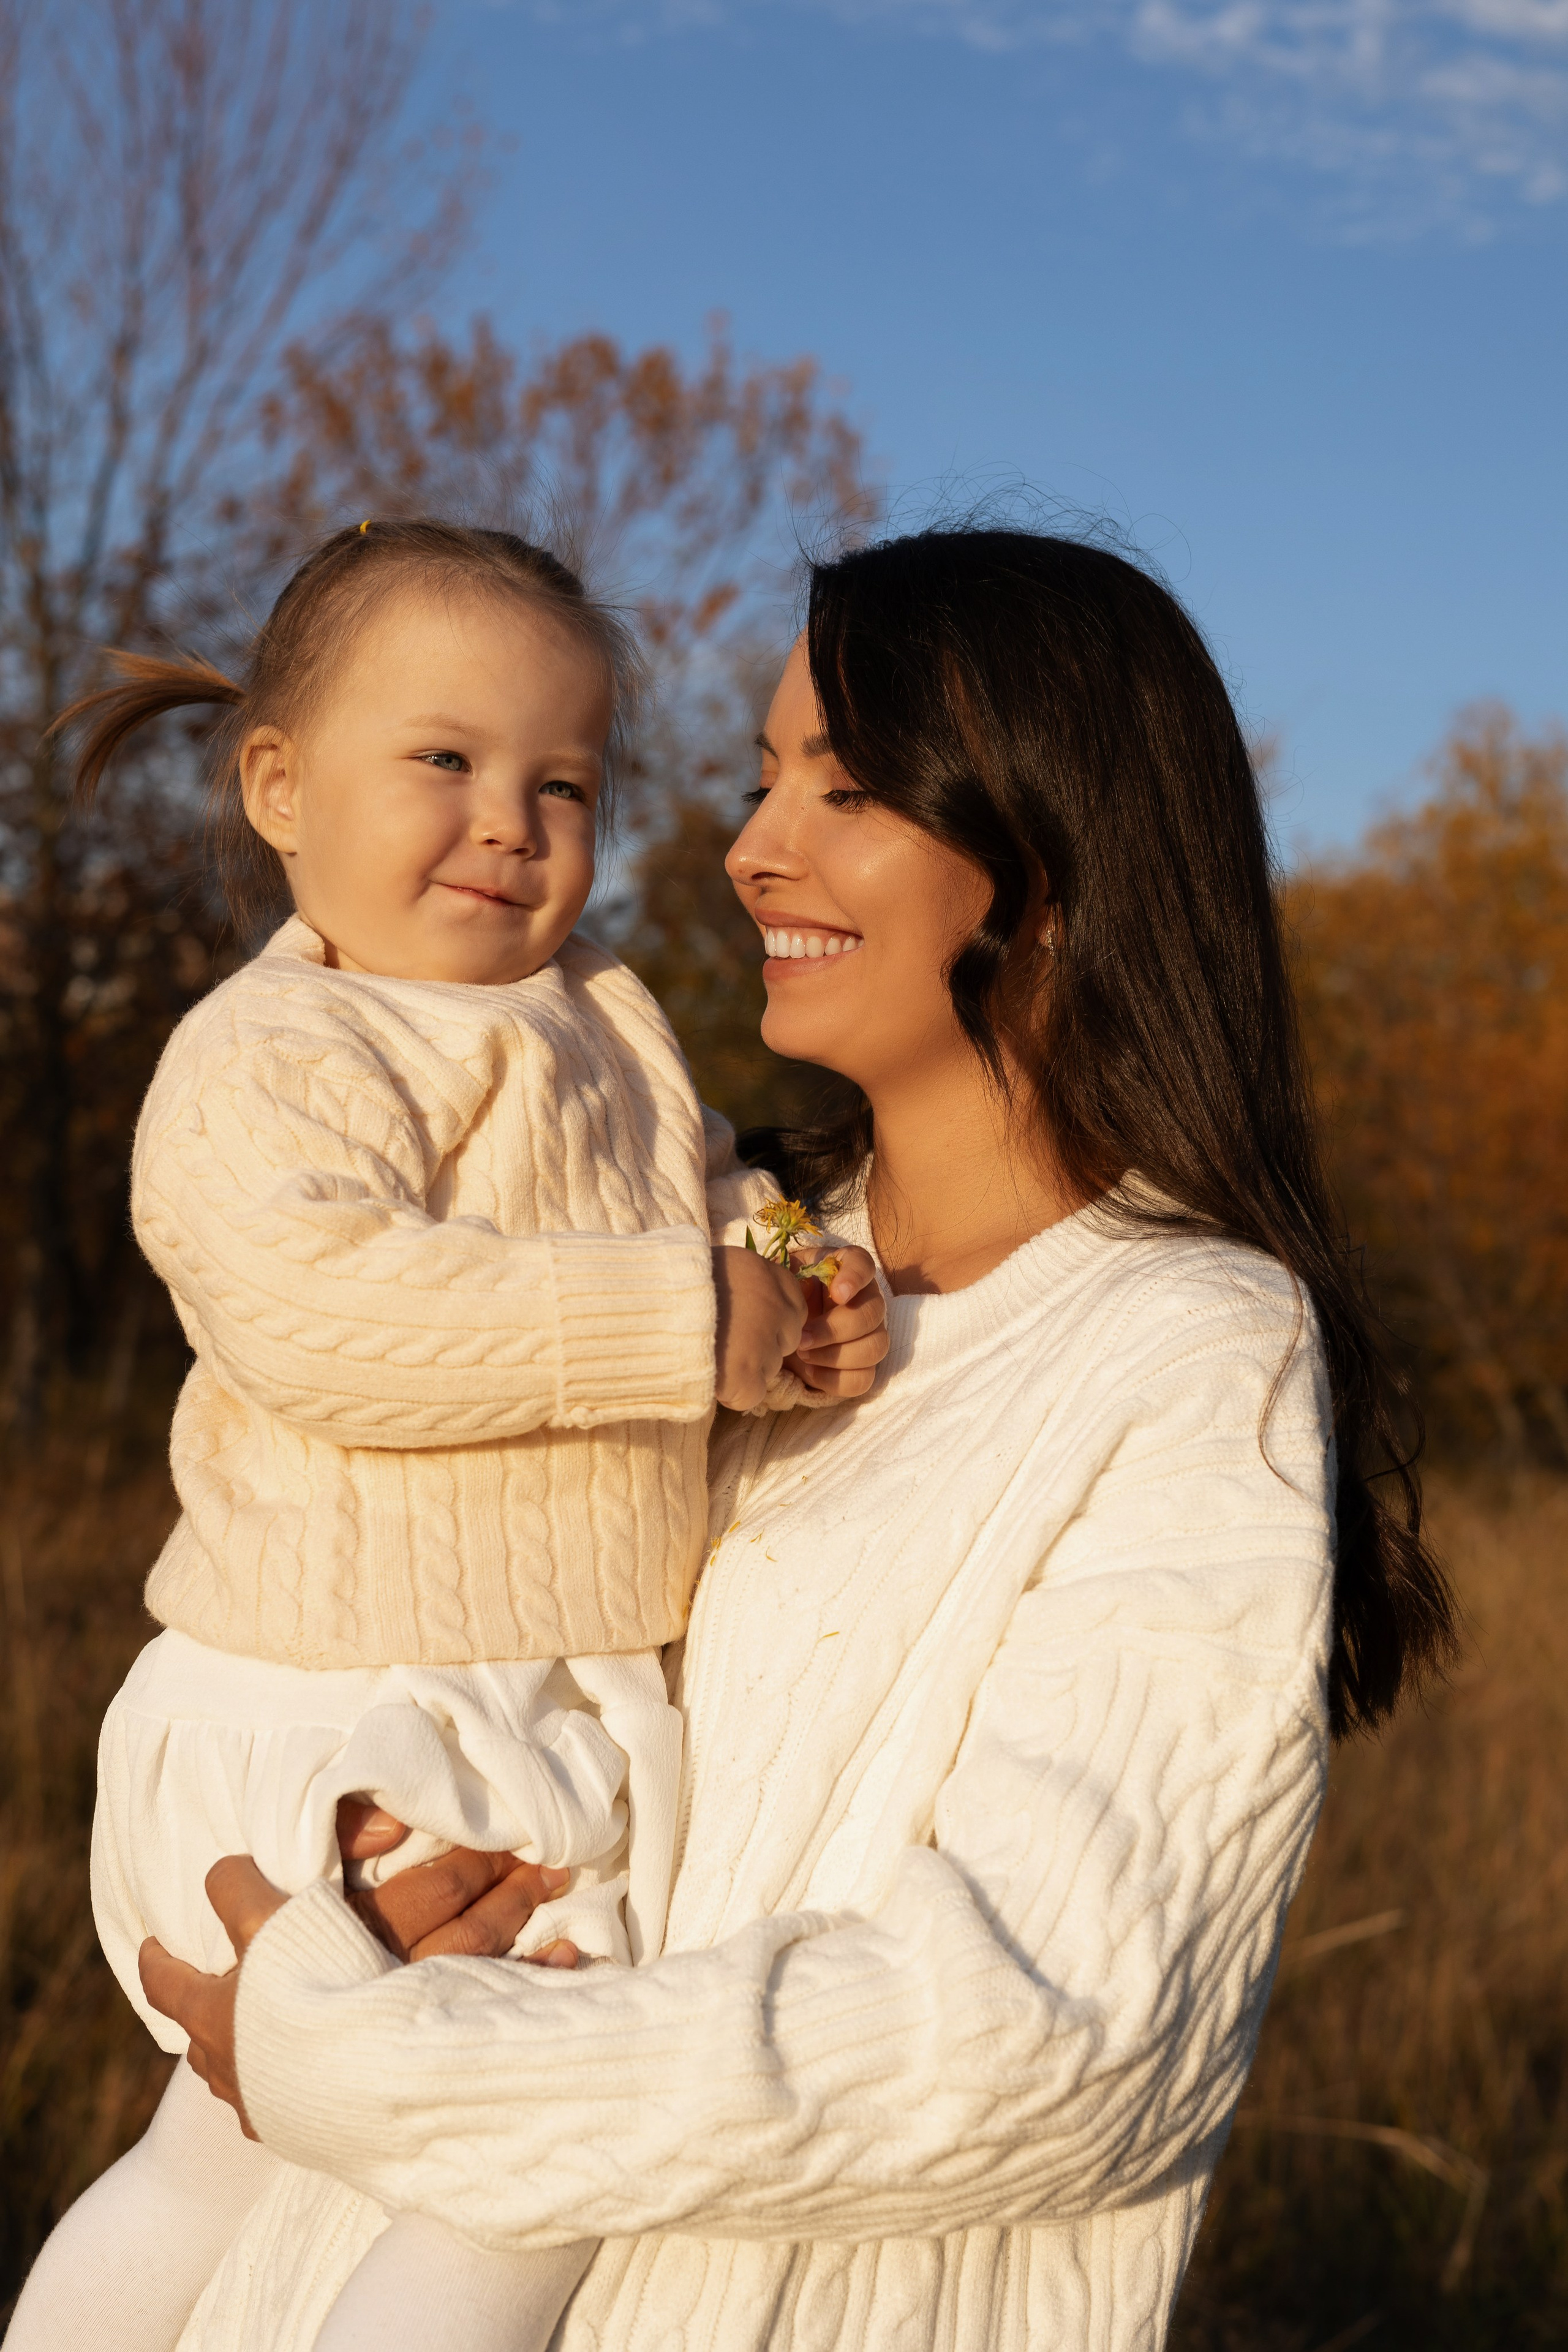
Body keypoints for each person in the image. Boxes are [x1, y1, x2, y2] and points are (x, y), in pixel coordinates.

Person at [146, 524, 1457, 2352]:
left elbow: (1061, 2038)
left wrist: (373, 2053)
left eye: (846, 787)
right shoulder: (720, 1254)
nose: (755, 845)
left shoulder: (1182, 1349)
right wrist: (365, 1874)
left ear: (1055, 861)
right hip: (316, 2268)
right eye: (766, 778)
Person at [2, 521, 888, 2352]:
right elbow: (324, 1315)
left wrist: (803, 1277)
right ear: (278, 789)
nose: (512, 820)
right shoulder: (274, 1048)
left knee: (237, 2164)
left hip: (525, 1689)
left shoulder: (604, 1034)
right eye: (446, 761)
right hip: (337, 1701)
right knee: (512, 2177)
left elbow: (728, 1196)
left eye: (564, 781)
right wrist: (677, 1322)